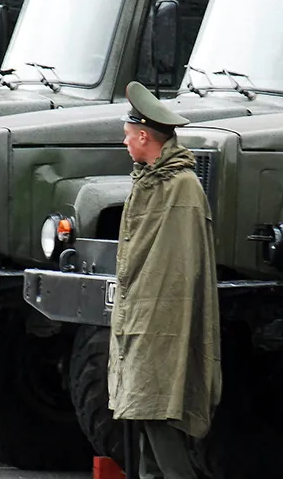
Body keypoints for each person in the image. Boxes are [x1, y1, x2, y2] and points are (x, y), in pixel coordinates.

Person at [109, 81, 222, 479]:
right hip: (139, 317)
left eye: (127, 136)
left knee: (154, 409)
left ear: (144, 136)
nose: (124, 143)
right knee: (143, 413)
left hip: (163, 323)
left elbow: (179, 270)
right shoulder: (149, 180)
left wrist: (151, 314)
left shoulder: (182, 187)